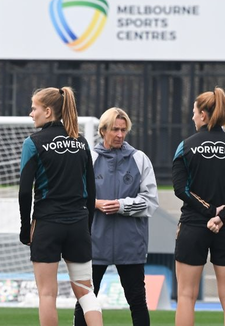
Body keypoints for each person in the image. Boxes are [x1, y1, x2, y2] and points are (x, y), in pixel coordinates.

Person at [19, 87, 103, 326]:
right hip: (78, 224)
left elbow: (25, 191)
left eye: (34, 108)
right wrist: (86, 226)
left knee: (47, 294)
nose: (30, 113)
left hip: (47, 224)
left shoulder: (33, 143)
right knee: (87, 294)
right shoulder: (81, 141)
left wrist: (26, 228)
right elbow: (91, 190)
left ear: (47, 111)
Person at [172, 88, 225, 326]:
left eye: (194, 112)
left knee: (186, 296)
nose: (192, 117)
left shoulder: (186, 146)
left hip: (192, 226)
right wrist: (223, 214)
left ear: (204, 115)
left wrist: (209, 212)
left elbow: (181, 190)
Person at [73, 107, 158, 326]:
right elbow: (74, 197)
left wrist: (121, 205)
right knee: (85, 300)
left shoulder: (140, 159)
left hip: (130, 243)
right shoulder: (88, 158)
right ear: (102, 131)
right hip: (93, 242)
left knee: (137, 301)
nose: (120, 134)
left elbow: (150, 202)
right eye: (114, 129)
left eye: (123, 130)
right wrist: (96, 204)